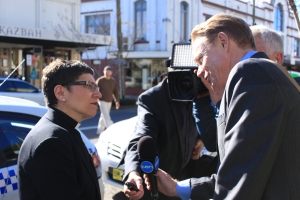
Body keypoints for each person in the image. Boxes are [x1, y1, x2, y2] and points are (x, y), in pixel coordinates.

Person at [144, 13, 300, 199]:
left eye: (201, 58)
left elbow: (238, 185)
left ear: (223, 42)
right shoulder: (261, 73)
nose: (199, 71)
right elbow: (234, 169)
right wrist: (177, 188)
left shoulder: (251, 71)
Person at [120, 71, 218, 200]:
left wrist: (200, 138)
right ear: (170, 68)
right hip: (161, 183)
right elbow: (141, 137)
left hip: (188, 180)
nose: (187, 78)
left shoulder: (205, 90)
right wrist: (134, 172)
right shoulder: (153, 98)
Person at [18, 59, 102, 200]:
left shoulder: (65, 131)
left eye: (96, 87)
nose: (98, 94)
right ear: (60, 92)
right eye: (89, 86)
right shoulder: (51, 142)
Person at [96, 65, 120, 135]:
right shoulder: (100, 80)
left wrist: (117, 101)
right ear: (104, 72)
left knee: (103, 115)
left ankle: (99, 131)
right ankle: (111, 130)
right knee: (106, 115)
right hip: (101, 100)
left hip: (109, 101)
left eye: (109, 72)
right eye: (106, 71)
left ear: (111, 73)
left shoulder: (112, 81)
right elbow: (95, 89)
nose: (107, 73)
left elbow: (116, 92)